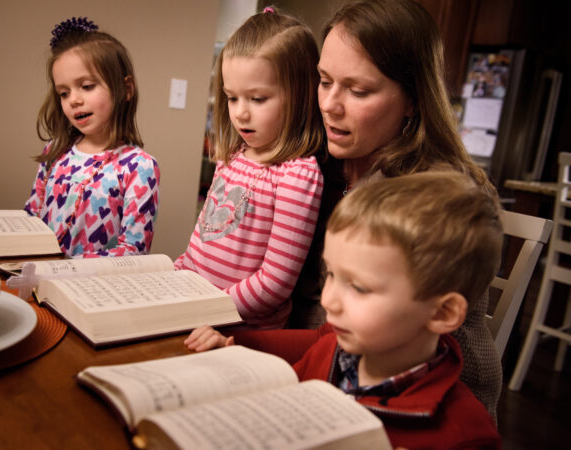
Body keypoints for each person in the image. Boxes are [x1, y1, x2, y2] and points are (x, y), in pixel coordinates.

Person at [286, 0, 503, 420]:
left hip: (415, 408)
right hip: (325, 365)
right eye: (324, 80)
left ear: (413, 100)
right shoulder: (324, 164)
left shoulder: (433, 194)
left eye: (358, 90)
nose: (330, 104)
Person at [186, 171, 502, 449]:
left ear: (441, 313)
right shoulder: (330, 352)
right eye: (332, 275)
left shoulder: (464, 436)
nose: (328, 301)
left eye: (359, 288)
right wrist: (234, 346)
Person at [174, 8, 325, 329]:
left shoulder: (297, 175)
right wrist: (178, 273)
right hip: (195, 311)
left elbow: (275, 282)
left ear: (300, 96)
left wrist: (210, 309)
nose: (240, 114)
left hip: (240, 330)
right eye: (232, 98)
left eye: (257, 99)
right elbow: (203, 236)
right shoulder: (232, 155)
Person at [24, 17, 160, 258]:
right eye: (64, 93)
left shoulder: (139, 167)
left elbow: (132, 250)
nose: (74, 100)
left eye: (86, 86)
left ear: (125, 89)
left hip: (92, 290)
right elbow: (32, 215)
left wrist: (68, 268)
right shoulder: (54, 151)